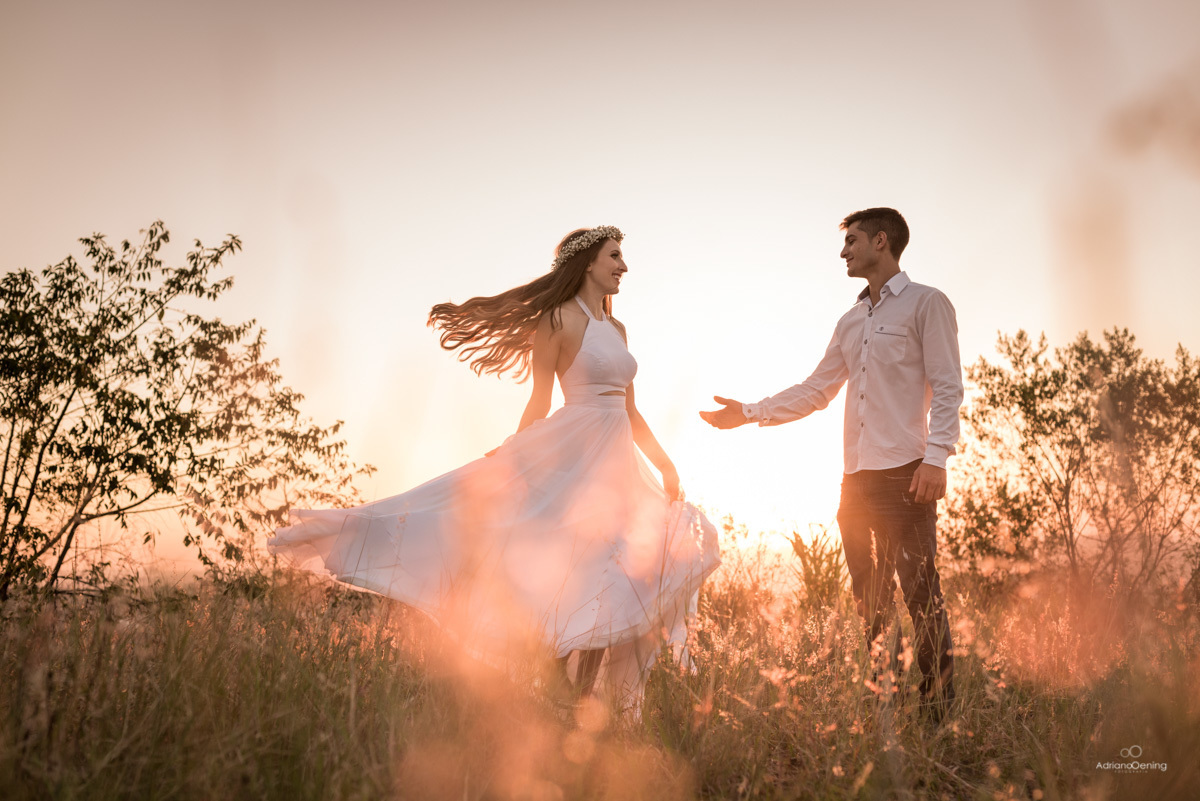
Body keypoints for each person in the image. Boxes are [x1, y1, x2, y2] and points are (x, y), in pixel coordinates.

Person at [270, 226, 719, 708]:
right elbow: (540, 401)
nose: (623, 266)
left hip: (618, 464)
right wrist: (513, 455)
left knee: (618, 575)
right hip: (572, 454)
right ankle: (558, 692)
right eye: (615, 256)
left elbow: (629, 409)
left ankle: (581, 698)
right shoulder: (556, 321)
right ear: (588, 262)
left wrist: (665, 464)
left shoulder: (617, 329)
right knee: (574, 567)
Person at [700, 208, 962, 718]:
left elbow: (948, 385)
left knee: (921, 596)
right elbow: (816, 390)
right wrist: (749, 413)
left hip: (907, 475)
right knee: (870, 602)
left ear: (881, 241)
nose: (844, 252)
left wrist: (936, 458)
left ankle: (939, 716)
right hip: (854, 483)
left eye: (852, 241)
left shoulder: (927, 303)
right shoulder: (850, 321)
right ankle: (885, 707)